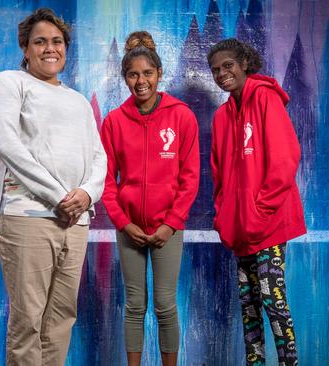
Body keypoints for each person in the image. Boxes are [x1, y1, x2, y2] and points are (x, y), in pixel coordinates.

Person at [0, 8, 107, 366]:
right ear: (25, 48)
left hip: (76, 222)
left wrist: (85, 195)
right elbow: (8, 146)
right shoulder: (10, 83)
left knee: (61, 319)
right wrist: (60, 198)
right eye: (40, 41)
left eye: (56, 41)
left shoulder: (78, 100)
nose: (49, 48)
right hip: (27, 217)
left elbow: (99, 158)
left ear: (65, 48)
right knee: (29, 321)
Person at [100, 31, 200, 366]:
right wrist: (123, 223)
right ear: (125, 78)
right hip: (129, 229)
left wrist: (171, 225)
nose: (140, 81)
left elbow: (189, 179)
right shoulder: (114, 121)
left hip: (167, 229)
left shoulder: (181, 115)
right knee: (134, 305)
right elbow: (106, 180)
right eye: (133, 74)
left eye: (147, 73)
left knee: (165, 304)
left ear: (159, 74)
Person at [207, 38, 306, 366]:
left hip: (270, 223)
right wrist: (224, 217)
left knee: (272, 301)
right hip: (240, 229)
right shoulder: (222, 116)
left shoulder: (265, 99)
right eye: (215, 70)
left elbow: (285, 159)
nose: (222, 73)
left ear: (245, 63)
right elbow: (219, 176)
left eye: (228, 66)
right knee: (248, 305)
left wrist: (258, 212)